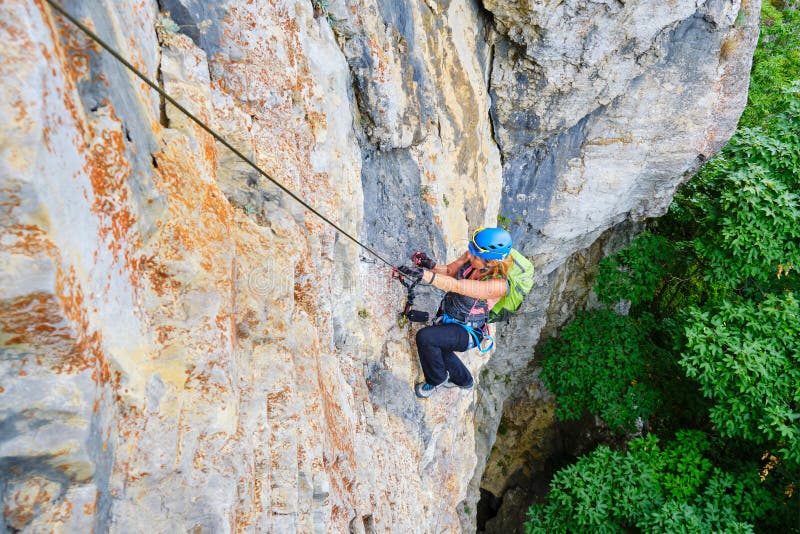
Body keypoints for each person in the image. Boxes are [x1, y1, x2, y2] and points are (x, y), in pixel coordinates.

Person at [397, 227, 514, 398]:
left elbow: (457, 285)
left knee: (426, 338)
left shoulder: (498, 286)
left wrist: (424, 275)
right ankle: (464, 380)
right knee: (439, 348)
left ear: (492, 263)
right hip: (449, 316)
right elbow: (451, 271)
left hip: (468, 331)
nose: (470, 256)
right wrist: (429, 265)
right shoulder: (472, 256)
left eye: (476, 256)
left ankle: (437, 378)